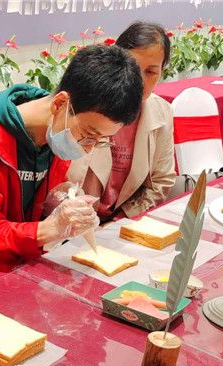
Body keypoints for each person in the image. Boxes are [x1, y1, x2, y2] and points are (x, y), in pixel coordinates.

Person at [0, 45, 144, 296]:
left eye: (101, 140)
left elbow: (33, 205)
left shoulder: (56, 134)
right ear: (60, 103)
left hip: (20, 271)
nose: (88, 147)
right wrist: (49, 229)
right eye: (89, 134)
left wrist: (59, 202)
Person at [68, 22, 175, 221]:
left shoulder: (163, 113)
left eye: (151, 72)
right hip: (73, 222)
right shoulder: (85, 104)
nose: (139, 81)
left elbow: (161, 181)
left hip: (124, 223)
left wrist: (120, 221)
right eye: (133, 68)